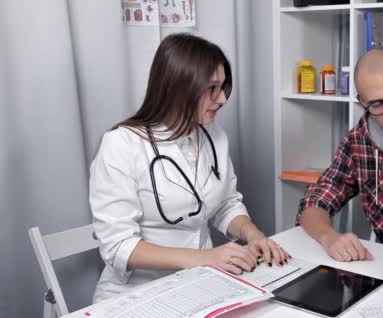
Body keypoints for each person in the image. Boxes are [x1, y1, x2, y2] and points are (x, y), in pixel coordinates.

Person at [90, 33, 289, 302]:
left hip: (199, 282)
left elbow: (226, 205)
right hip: (137, 293)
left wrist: (254, 236)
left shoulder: (213, 134)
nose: (222, 99)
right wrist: (204, 258)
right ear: (180, 87)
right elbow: (118, 247)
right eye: (212, 88)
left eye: (223, 88)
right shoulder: (121, 144)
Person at [297, 49, 383, 262]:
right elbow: (317, 200)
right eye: (377, 104)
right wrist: (329, 237)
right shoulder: (359, 139)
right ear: (361, 102)